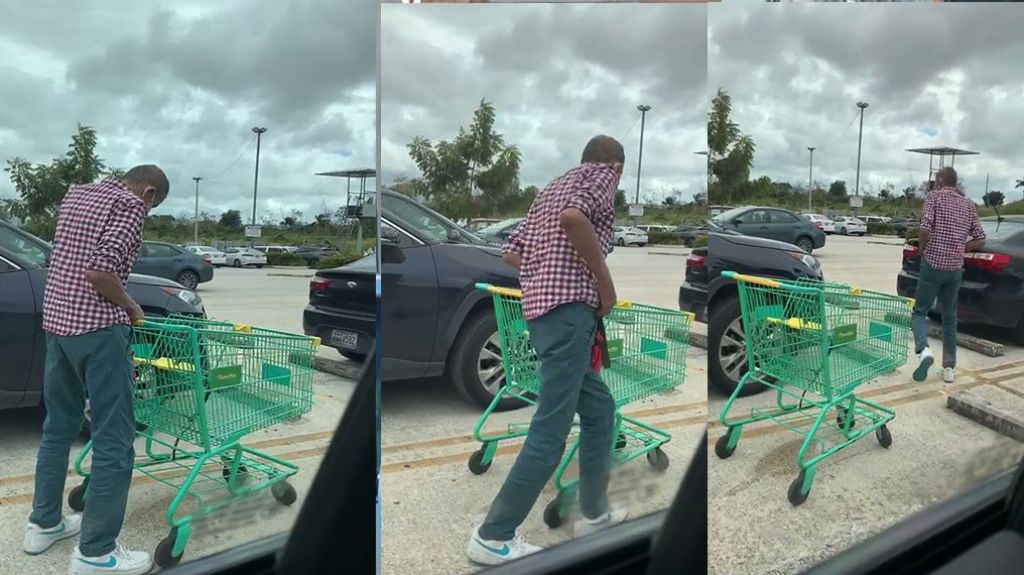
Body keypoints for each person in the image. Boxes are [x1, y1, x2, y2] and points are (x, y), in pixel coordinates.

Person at [466, 135, 627, 566]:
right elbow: (576, 219)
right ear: (615, 164)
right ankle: (493, 536)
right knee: (551, 429)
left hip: (543, 316)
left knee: (599, 412)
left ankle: (593, 512)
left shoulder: (551, 187)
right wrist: (602, 285)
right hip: (570, 314)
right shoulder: (601, 176)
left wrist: (543, 277)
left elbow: (512, 253)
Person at [23, 166, 169, 575]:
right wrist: (132, 307)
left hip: (58, 328)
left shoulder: (76, 195)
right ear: (150, 193)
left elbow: (67, 261)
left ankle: (44, 523)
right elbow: (101, 272)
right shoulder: (130, 205)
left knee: (57, 428)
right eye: (153, 206)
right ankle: (96, 552)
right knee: (115, 441)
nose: (148, 211)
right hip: (98, 332)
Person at [911, 166, 985, 384]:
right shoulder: (968, 204)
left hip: (933, 264)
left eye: (936, 179)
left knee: (919, 312)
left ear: (942, 180)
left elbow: (925, 228)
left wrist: (922, 249)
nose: (934, 184)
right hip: (954, 269)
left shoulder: (933, 198)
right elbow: (980, 238)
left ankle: (924, 351)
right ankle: (949, 369)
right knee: (950, 318)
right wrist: (963, 249)